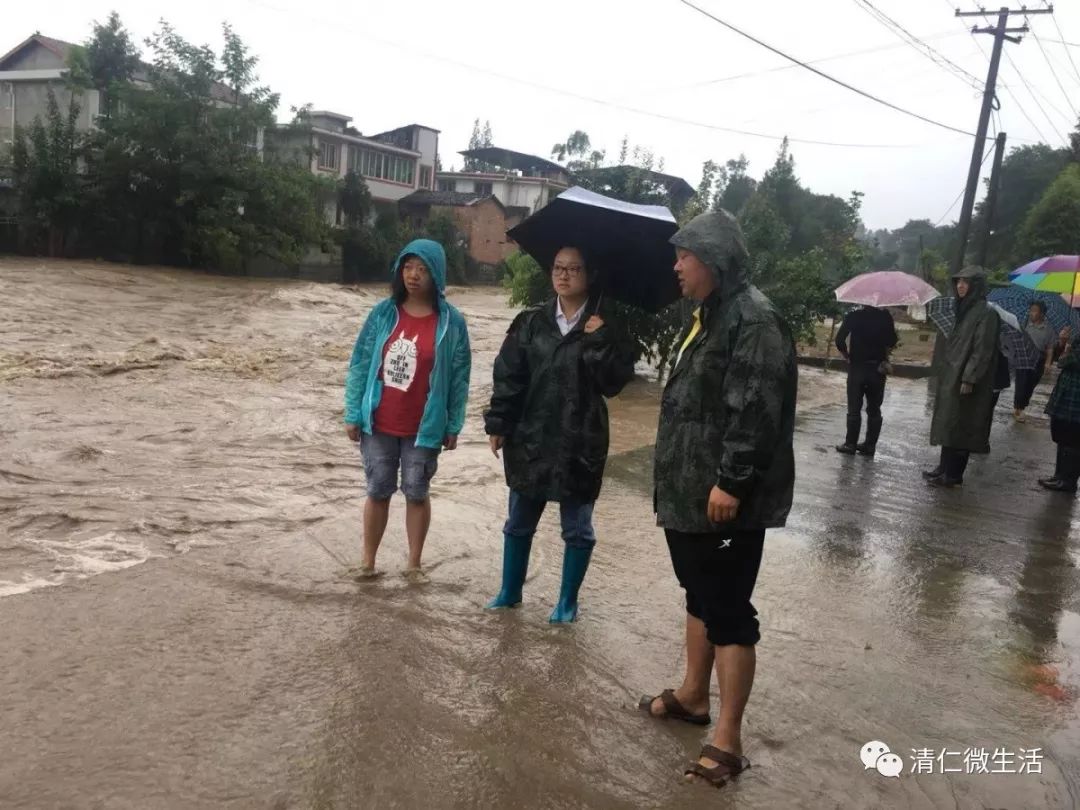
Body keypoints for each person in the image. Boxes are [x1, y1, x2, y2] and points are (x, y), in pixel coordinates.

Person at [640, 211, 797, 789]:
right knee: (699, 592)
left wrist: (731, 481)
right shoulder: (709, 316)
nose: (676, 265)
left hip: (726, 502)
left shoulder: (753, 320)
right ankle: (691, 696)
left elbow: (754, 411)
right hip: (690, 495)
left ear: (715, 259)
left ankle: (727, 740)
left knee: (729, 608)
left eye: (685, 255)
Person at [484, 246, 636, 623]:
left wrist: (600, 341)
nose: (563, 275)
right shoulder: (530, 321)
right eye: (558, 267)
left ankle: (567, 602)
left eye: (574, 269)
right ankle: (510, 592)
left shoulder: (606, 326)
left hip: (580, 441)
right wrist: (499, 423)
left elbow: (615, 384)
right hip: (531, 435)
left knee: (578, 529)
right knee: (519, 520)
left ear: (590, 275)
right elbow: (508, 375)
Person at [344, 239, 471, 579]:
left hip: (425, 427)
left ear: (437, 274)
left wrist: (454, 422)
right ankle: (368, 563)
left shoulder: (452, 322)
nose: (414, 275)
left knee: (416, 492)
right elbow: (359, 363)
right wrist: (352, 412)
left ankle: (414, 565)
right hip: (379, 420)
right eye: (408, 267)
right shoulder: (383, 313)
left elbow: (459, 376)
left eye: (423, 269)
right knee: (377, 490)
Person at [923, 266, 1000, 488]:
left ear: (976, 286)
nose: (960, 286)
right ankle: (943, 468)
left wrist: (970, 378)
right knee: (949, 421)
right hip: (952, 373)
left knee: (962, 424)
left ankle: (954, 474)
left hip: (966, 378)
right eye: (958, 282)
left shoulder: (986, 313)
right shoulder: (962, 309)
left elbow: (982, 349)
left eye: (966, 282)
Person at [834, 305, 898, 457]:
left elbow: (839, 340)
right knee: (874, 409)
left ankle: (850, 444)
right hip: (877, 369)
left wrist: (846, 355)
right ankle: (869, 446)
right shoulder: (885, 317)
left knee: (854, 408)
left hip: (857, 368)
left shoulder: (853, 316)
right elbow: (892, 340)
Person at [1039, 329, 1080, 494]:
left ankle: (1067, 480)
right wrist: (1063, 344)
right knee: (1063, 437)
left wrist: (1067, 349)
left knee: (1072, 440)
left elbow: (1066, 361)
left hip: (1075, 398)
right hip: (1069, 394)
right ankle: (1059, 476)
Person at [1013, 301, 1057, 422]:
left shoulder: (1048, 329)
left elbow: (1050, 348)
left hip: (1038, 360)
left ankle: (1022, 405)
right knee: (1021, 383)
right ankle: (1018, 408)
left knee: (1030, 385)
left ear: (1042, 314)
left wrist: (1048, 363)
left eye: (1035, 310)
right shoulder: (1025, 323)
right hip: (1023, 357)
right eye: (1031, 310)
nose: (1032, 313)